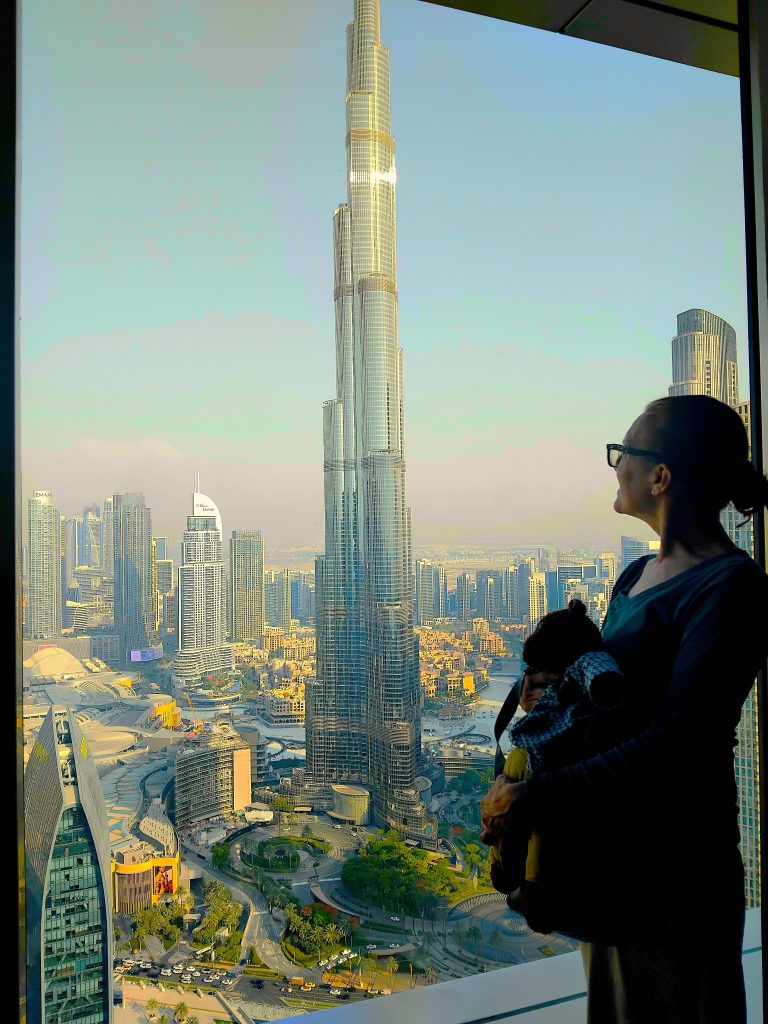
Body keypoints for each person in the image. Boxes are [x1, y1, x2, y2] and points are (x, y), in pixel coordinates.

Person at [479, 395, 768, 1022]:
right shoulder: (635, 575)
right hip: (611, 854)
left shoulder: (729, 588)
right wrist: (550, 691)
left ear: (659, 476)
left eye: (624, 454)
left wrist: (541, 796)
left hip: (677, 865)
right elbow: (613, 705)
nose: (615, 468)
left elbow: (681, 741)